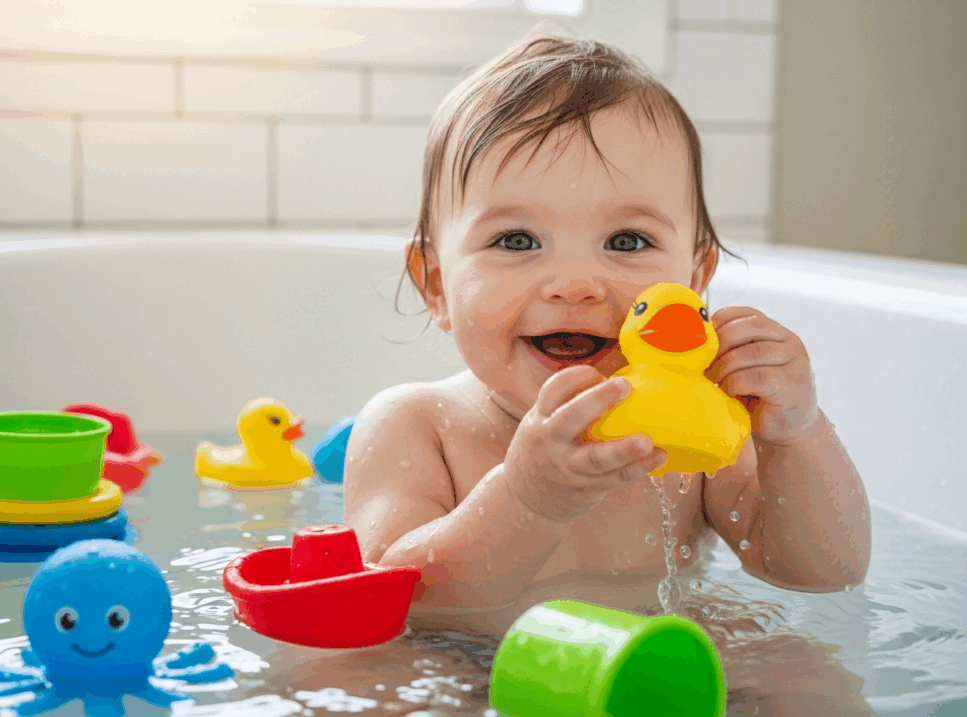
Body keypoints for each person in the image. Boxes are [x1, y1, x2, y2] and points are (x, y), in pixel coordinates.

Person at [343, 32, 871, 626]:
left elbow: (823, 573)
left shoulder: (696, 429)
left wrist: (794, 435)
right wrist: (525, 499)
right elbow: (386, 599)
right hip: (461, 671)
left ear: (695, 278)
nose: (575, 284)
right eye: (516, 241)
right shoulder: (418, 426)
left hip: (657, 667)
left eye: (627, 241)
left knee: (800, 676)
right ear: (436, 285)